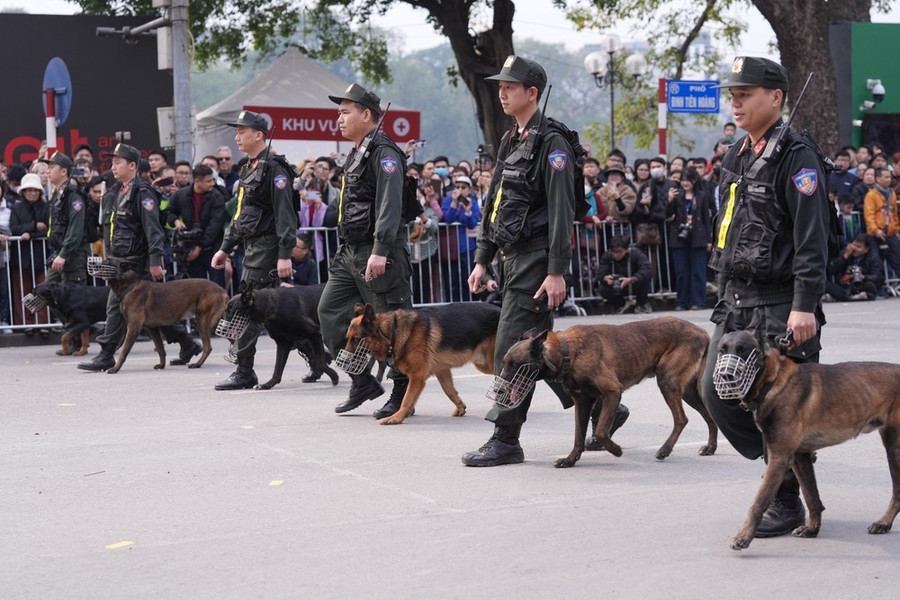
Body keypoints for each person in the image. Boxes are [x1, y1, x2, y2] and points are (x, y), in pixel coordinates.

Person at [702, 56, 831, 539]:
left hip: (780, 302)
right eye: (733, 94)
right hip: (737, 300)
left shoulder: (798, 156)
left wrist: (803, 303)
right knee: (717, 393)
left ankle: (786, 500)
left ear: (775, 98)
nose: (736, 101)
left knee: (784, 404)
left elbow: (811, 238)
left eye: (746, 93)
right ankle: (784, 471)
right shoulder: (738, 152)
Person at [461, 55, 599, 466]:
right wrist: (483, 257)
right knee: (533, 351)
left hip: (537, 261)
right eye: (499, 86)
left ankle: (506, 438)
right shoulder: (511, 139)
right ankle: (592, 397)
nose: (501, 92)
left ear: (532, 92)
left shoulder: (552, 142)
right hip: (511, 258)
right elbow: (495, 203)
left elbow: (561, 211)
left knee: (513, 348)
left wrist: (557, 270)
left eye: (510, 87)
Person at [317, 83, 414, 419]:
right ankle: (362, 380)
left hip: (377, 250)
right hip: (350, 252)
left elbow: (390, 205)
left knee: (393, 324)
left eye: (346, 112)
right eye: (339, 112)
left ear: (367, 115)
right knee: (329, 311)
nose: (339, 118)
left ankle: (402, 394)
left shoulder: (385, 153)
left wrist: (381, 248)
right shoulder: (357, 152)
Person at [78, 143, 201, 371]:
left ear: (132, 165)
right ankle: (187, 343)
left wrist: (155, 261)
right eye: (112, 162)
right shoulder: (120, 191)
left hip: (137, 263)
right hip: (121, 260)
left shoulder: (143, 192)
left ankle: (106, 353)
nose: (113, 166)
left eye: (118, 162)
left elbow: (153, 229)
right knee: (155, 310)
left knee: (115, 306)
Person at [211, 111, 298, 389]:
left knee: (249, 307)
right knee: (276, 311)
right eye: (236, 131)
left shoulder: (275, 168)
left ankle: (244, 370)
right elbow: (240, 213)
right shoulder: (249, 166)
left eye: (242, 131)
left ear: (258, 135)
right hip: (251, 247)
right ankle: (316, 352)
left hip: (267, 248)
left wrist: (285, 253)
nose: (237, 136)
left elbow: (286, 215)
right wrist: (225, 248)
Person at [167, 164, 227, 287]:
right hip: (189, 249)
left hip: (212, 249)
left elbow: (214, 226)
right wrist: (175, 221)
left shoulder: (217, 197)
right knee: (195, 288)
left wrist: (200, 246)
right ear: (197, 181)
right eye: (208, 181)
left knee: (216, 287)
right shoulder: (181, 195)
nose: (212, 183)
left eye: (213, 180)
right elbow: (169, 212)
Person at [666, 166, 713, 310]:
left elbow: (706, 218)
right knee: (681, 272)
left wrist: (709, 239)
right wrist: (669, 200)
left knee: (698, 271)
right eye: (683, 180)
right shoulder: (676, 194)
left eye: (688, 180)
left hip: (697, 237)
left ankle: (698, 301)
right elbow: (667, 214)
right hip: (679, 237)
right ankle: (682, 301)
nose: (685, 183)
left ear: (694, 180)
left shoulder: (701, 195)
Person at [9, 173, 50, 330]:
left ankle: (43, 323)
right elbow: (14, 228)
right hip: (21, 257)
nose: (32, 193)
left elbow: (47, 229)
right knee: (23, 291)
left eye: (35, 190)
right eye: (29, 190)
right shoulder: (17, 208)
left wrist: (30, 234)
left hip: (41, 256)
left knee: (43, 290)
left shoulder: (46, 208)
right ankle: (25, 323)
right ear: (23, 192)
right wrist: (33, 226)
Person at [42, 152, 90, 286]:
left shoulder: (73, 195)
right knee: (50, 292)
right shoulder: (57, 194)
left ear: (64, 171)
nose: (48, 171)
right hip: (60, 252)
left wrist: (63, 255)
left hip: (73, 255)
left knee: (74, 301)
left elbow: (75, 229)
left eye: (52, 167)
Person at [596, 234, 652, 312]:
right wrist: (605, 278)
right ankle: (620, 305)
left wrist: (632, 279)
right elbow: (601, 272)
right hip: (616, 285)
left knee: (645, 279)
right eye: (614, 251)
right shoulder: (607, 256)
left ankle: (641, 304)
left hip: (633, 283)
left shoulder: (636, 254)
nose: (616, 254)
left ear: (626, 249)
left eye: (619, 251)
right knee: (602, 288)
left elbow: (647, 270)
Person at [863, 167, 900, 275]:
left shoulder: (891, 193)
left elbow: (894, 214)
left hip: (891, 232)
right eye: (886, 177)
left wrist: (897, 230)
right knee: (876, 261)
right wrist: (875, 230)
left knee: (897, 259)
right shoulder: (871, 195)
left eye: (890, 177)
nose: (889, 180)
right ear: (878, 179)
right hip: (875, 233)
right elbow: (869, 215)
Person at [824, 233, 882, 301]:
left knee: (870, 286)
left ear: (866, 249)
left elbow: (878, 277)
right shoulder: (845, 253)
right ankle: (852, 298)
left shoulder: (873, 258)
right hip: (844, 286)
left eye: (858, 247)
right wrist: (844, 257)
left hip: (860, 286)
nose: (854, 248)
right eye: (853, 245)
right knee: (824, 284)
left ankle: (840, 298)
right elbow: (831, 270)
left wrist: (864, 277)